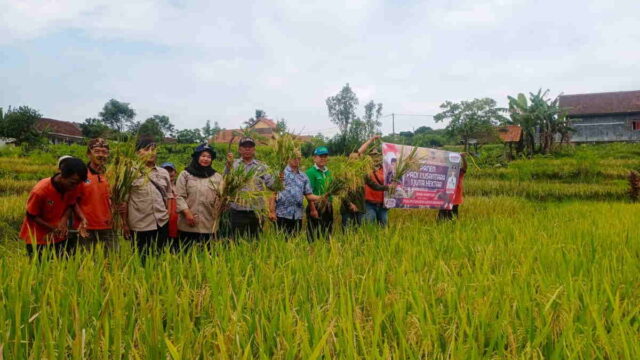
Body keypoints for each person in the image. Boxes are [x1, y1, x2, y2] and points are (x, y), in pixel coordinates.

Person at [20, 157, 87, 258]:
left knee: (63, 268)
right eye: (73, 183)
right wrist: (53, 228)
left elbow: (71, 204)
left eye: (78, 183)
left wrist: (63, 220)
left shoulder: (73, 186)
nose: (75, 187)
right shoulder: (40, 191)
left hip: (59, 237)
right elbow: (31, 215)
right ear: (62, 175)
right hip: (38, 239)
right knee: (40, 270)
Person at [122, 137, 172, 257]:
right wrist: (124, 223)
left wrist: (168, 214)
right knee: (141, 258)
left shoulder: (163, 172)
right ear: (137, 153)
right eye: (146, 149)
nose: (151, 152)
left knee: (160, 257)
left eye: (153, 149)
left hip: (161, 222)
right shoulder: (129, 172)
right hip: (140, 224)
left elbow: (169, 196)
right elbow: (124, 200)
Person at [225, 137, 276, 240]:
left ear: (254, 150)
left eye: (250, 147)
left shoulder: (262, 166)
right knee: (236, 240)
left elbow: (272, 186)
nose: (247, 149)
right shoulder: (233, 164)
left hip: (257, 212)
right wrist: (228, 167)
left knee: (256, 241)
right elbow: (225, 183)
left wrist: (279, 180)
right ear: (239, 150)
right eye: (244, 147)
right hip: (237, 210)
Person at [175, 144, 223, 249]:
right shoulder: (185, 174)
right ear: (197, 157)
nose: (206, 159)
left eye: (209, 157)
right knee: (186, 256)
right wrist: (187, 213)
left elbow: (221, 198)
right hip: (188, 225)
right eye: (203, 156)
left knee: (208, 256)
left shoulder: (217, 177)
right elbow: (179, 196)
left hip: (209, 225)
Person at [74, 138, 117, 251]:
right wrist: (82, 219)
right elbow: (73, 201)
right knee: (87, 264)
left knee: (113, 262)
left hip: (108, 226)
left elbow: (115, 199)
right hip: (86, 227)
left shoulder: (112, 175)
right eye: (97, 151)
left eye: (105, 152)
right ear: (89, 154)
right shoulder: (81, 174)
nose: (101, 155)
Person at [269, 150, 321, 236]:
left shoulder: (303, 176)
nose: (296, 160)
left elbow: (308, 195)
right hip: (281, 214)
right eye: (294, 157)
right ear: (288, 158)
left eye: (299, 158)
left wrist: (322, 197)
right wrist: (271, 211)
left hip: (297, 215)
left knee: (294, 242)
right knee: (281, 242)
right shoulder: (280, 174)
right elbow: (272, 193)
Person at [340, 135, 380, 229]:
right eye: (352, 158)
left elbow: (374, 185)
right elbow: (342, 192)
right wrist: (350, 204)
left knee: (358, 232)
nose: (355, 160)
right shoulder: (344, 173)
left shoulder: (361, 171)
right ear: (348, 159)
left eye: (357, 158)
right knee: (348, 232)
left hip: (360, 208)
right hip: (347, 209)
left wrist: (388, 188)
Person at [305, 146, 333, 241]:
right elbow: (308, 193)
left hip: (328, 206)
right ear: (314, 158)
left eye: (325, 156)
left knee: (327, 234)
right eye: (320, 156)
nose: (323, 159)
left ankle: (326, 253)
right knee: (313, 235)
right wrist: (313, 209)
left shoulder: (328, 172)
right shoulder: (310, 172)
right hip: (316, 206)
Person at [363, 148, 393, 226]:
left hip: (382, 204)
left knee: (384, 226)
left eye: (376, 155)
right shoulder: (365, 170)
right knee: (370, 225)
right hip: (369, 204)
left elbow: (390, 184)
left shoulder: (385, 170)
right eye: (372, 155)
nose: (375, 157)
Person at [438, 153, 468, 220]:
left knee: (453, 218)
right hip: (445, 197)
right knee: (441, 218)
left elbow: (465, 167)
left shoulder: (459, 172)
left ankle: (452, 228)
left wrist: (463, 158)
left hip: (455, 198)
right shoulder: (444, 171)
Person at [161, 162, 179, 243]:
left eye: (171, 171)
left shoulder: (180, 186)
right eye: (165, 171)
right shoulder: (160, 188)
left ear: (175, 172)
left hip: (178, 223)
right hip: (164, 222)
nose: (169, 173)